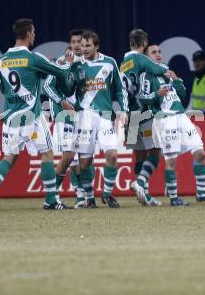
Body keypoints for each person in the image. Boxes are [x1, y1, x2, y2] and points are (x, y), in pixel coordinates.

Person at [0, 18, 74, 211]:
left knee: (8, 157)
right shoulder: (33, 58)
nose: (35, 35)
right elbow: (59, 72)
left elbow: (2, 88)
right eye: (34, 31)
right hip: (32, 115)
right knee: (46, 153)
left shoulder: (2, 60)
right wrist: (68, 63)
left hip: (11, 118)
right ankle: (50, 200)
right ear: (29, 33)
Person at [71, 31, 134, 209]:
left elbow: (120, 89)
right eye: (82, 46)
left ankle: (107, 194)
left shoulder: (110, 62)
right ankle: (89, 198)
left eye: (88, 46)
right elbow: (68, 88)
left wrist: (124, 110)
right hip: (84, 117)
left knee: (112, 155)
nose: (83, 49)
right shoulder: (76, 65)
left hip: (106, 115)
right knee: (85, 162)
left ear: (97, 46)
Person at [138, 69, 205, 206]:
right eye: (154, 52)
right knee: (171, 161)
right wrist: (157, 94)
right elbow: (143, 99)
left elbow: (181, 94)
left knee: (200, 153)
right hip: (165, 117)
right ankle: (174, 198)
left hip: (182, 116)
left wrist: (176, 79)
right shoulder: (147, 76)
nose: (158, 54)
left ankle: (201, 193)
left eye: (159, 52)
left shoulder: (167, 73)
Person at [120, 30, 174, 206]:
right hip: (142, 111)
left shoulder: (124, 62)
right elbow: (159, 69)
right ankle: (140, 183)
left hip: (128, 113)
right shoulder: (140, 58)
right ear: (144, 43)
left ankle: (144, 195)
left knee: (140, 154)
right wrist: (168, 71)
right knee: (156, 151)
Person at [43, 29, 94, 208]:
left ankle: (80, 195)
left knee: (81, 156)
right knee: (69, 155)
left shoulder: (84, 65)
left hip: (80, 115)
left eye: (80, 42)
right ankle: (51, 195)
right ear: (70, 44)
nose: (77, 45)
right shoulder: (61, 62)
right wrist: (61, 101)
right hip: (64, 114)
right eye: (74, 42)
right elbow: (48, 86)